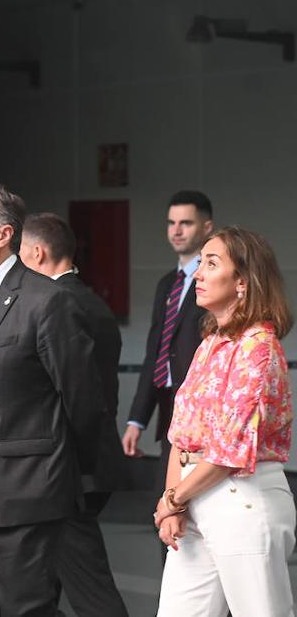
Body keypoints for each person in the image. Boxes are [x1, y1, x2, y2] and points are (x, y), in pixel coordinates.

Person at [0, 181, 101, 616]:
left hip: (27, 501)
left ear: (4, 235)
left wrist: (61, 477)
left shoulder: (47, 301)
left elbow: (83, 402)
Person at [154, 227, 295, 616]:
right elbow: (179, 435)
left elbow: (229, 451)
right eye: (200, 263)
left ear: (243, 283)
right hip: (193, 497)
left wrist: (172, 500)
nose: (198, 273)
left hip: (243, 499)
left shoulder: (259, 348)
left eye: (211, 264)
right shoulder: (210, 344)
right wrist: (175, 504)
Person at [20, 212, 128, 617]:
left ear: (37, 252)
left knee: (87, 588)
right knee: (38, 587)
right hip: (90, 463)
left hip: (66, 471)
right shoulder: (90, 301)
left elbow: (76, 396)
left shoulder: (58, 304)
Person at [123, 192, 214, 482]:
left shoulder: (215, 280)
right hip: (167, 410)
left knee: (191, 505)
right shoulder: (167, 284)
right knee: (167, 503)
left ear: (207, 227)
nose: (176, 230)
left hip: (204, 412)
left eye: (186, 223)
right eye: (171, 222)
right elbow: (157, 352)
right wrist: (137, 418)